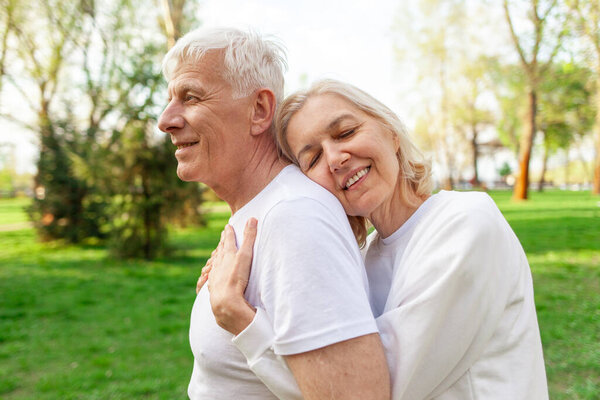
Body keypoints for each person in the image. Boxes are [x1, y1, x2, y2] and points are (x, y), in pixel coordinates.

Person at [202, 79, 549, 399]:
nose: (336, 159)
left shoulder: (466, 223)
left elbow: (361, 387)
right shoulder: (365, 258)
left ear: (391, 132)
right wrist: (240, 281)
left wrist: (242, 320)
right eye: (313, 158)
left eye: (346, 132)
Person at [157, 28, 390, 400]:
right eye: (170, 99)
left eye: (191, 97)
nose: (165, 119)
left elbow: (357, 395)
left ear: (260, 110)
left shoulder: (294, 218)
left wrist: (240, 319)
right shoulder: (265, 212)